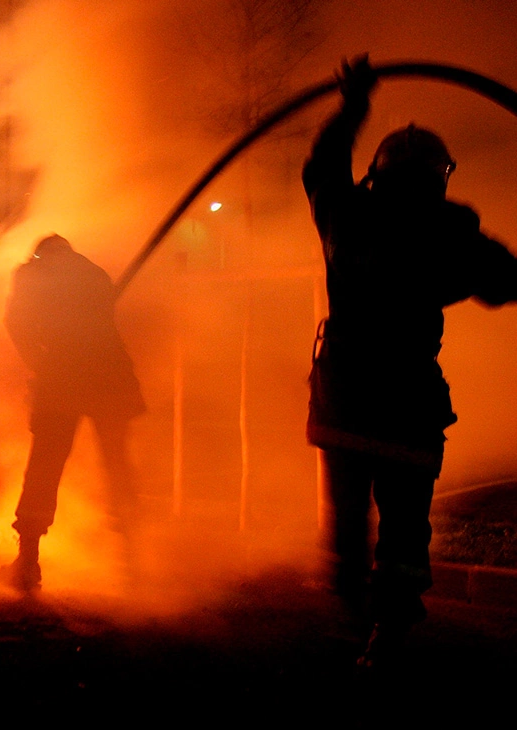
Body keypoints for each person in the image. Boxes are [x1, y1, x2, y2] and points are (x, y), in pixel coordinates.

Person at [303, 57, 517, 666]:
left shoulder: (348, 215)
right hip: (407, 402)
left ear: (379, 172)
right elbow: (504, 283)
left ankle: (347, 610)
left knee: (346, 516)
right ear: (439, 178)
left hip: (345, 396)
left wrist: (352, 107)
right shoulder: (455, 236)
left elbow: (320, 168)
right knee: (403, 526)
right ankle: (388, 629)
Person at [0, 234, 145, 591]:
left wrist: (38, 364)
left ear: (40, 253)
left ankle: (28, 562)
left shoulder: (32, 272)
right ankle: (133, 557)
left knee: (45, 465)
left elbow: (16, 322)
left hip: (62, 376)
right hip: (111, 376)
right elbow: (104, 319)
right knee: (117, 463)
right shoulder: (94, 273)